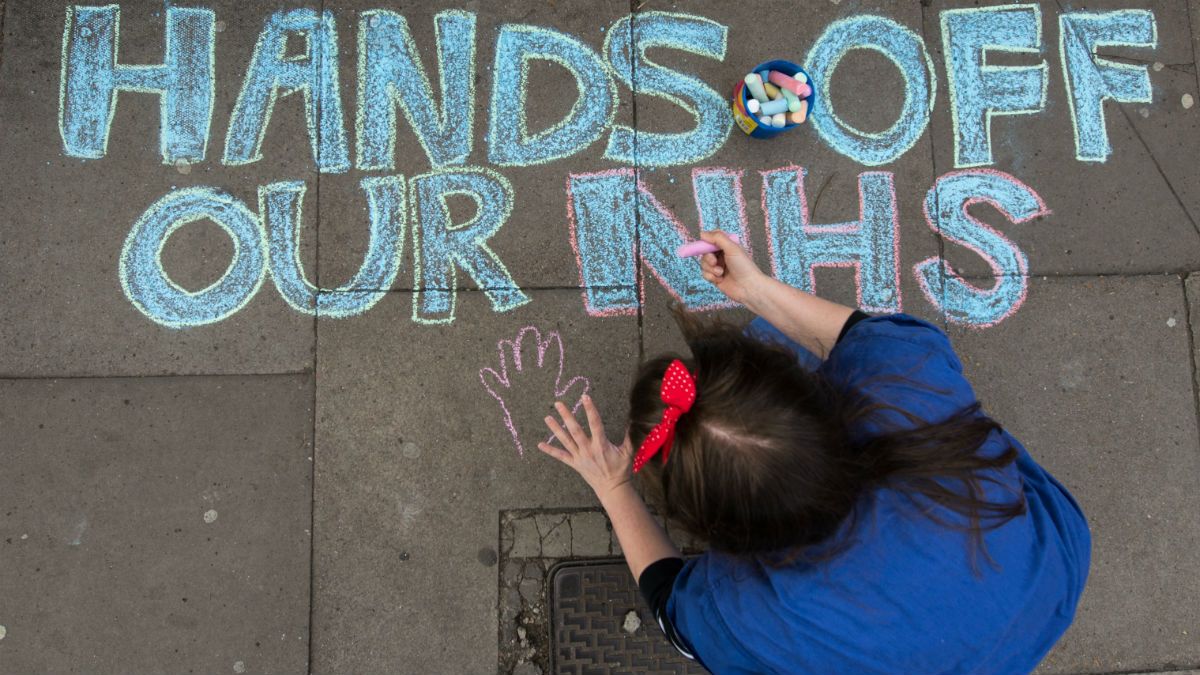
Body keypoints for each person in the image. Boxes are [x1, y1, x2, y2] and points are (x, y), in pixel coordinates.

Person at [537, 231, 1091, 674]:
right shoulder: (904, 381)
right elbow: (857, 334)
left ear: (719, 530)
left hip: (1011, 596)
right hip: (1045, 576)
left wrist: (613, 486)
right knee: (771, 332)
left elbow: (670, 609)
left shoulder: (747, 612)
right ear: (818, 398)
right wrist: (756, 290)